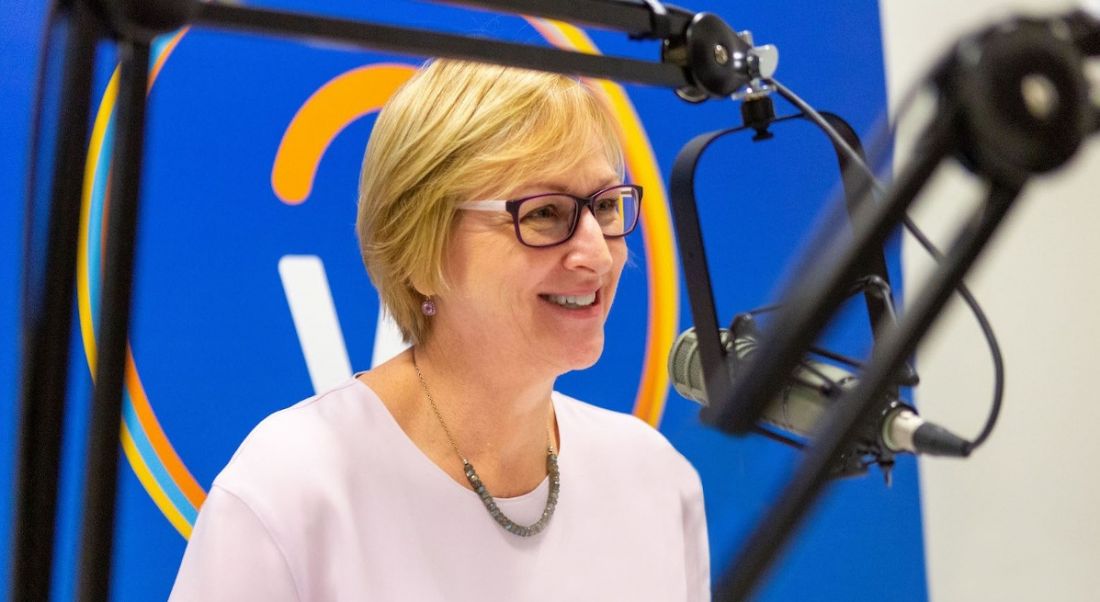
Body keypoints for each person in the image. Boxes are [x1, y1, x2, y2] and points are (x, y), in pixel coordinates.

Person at [169, 59, 709, 601]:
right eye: (545, 213)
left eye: (606, 206)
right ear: (420, 251)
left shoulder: (655, 479)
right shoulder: (292, 489)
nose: (598, 254)